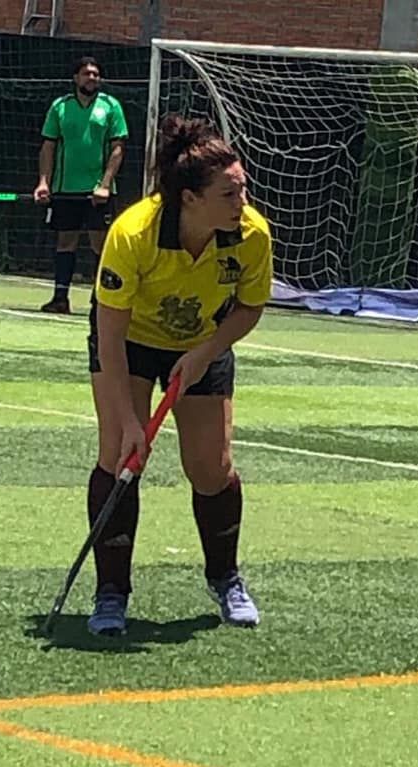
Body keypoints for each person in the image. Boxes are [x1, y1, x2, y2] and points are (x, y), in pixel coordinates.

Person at [85, 115, 272, 636]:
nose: (242, 202)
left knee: (211, 469)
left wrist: (205, 353)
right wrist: (128, 422)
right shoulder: (134, 234)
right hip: (132, 344)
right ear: (189, 198)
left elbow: (250, 308)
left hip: (201, 344)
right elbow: (110, 335)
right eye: (229, 192)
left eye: (243, 188)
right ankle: (111, 593)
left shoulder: (251, 234)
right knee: (120, 455)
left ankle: (226, 578)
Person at [34, 56, 129, 314]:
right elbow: (48, 145)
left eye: (96, 74)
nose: (92, 78)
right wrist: (44, 182)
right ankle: (60, 298)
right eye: (87, 73)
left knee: (101, 245)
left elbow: (118, 147)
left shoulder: (111, 106)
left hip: (98, 192)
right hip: (65, 189)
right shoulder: (60, 107)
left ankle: (101, 302)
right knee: (65, 242)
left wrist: (105, 184)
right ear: (76, 78)